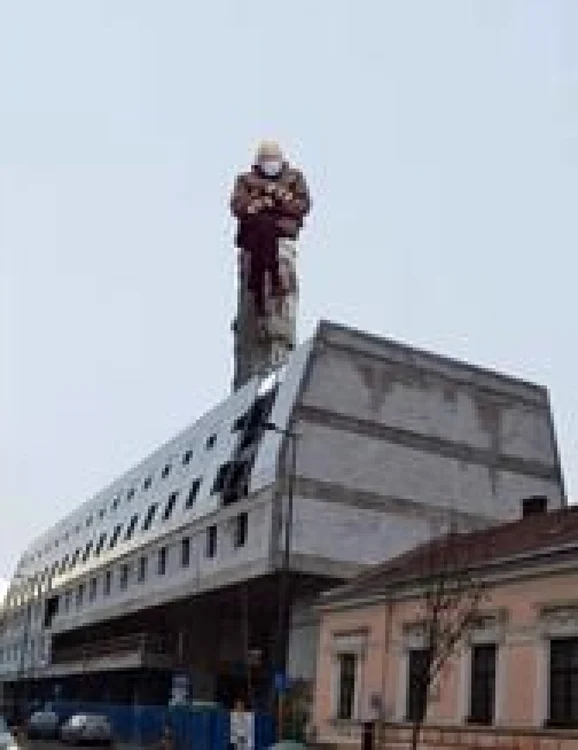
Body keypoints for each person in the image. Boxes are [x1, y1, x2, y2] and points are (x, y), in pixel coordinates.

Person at [230, 141, 311, 316]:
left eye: (274, 159)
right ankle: (270, 280)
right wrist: (259, 203)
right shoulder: (245, 180)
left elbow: (302, 205)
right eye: (267, 159)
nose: (271, 163)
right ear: (259, 161)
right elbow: (238, 206)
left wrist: (279, 199)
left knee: (268, 225)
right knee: (263, 225)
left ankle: (265, 282)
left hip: (282, 228)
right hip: (254, 231)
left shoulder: (294, 178)